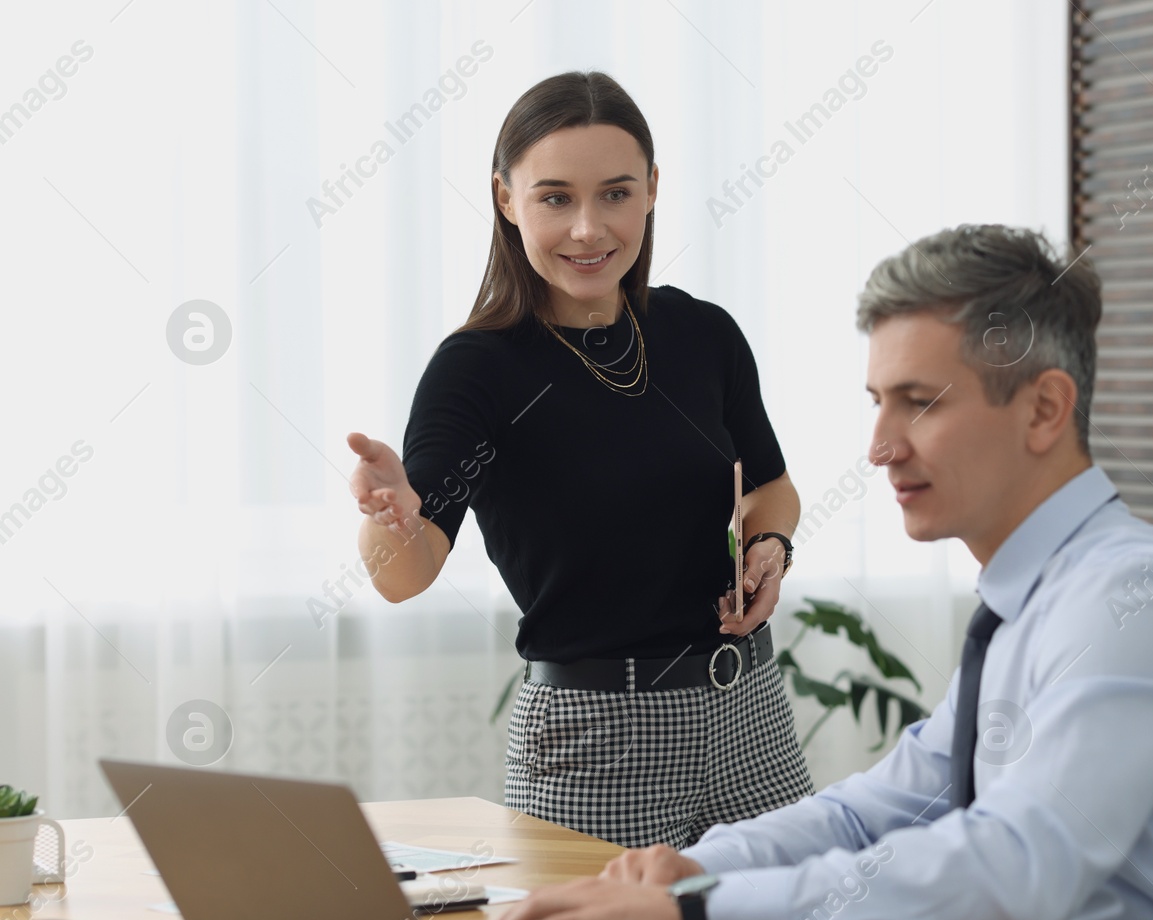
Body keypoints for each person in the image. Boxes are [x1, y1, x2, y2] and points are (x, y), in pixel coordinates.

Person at [482, 223, 1153, 920]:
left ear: (1043, 409)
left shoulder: (1137, 603)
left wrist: (700, 917)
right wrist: (694, 868)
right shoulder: (1030, 598)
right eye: (879, 400)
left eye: (919, 402)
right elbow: (884, 805)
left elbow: (1015, 868)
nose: (880, 444)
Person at [345, 71, 814, 849]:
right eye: (556, 197)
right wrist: (388, 515)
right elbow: (405, 572)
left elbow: (771, 485)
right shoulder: (477, 369)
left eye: (617, 194)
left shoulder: (705, 335)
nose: (590, 229)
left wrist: (769, 544)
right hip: (597, 740)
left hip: (750, 714)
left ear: (654, 190)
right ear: (506, 200)